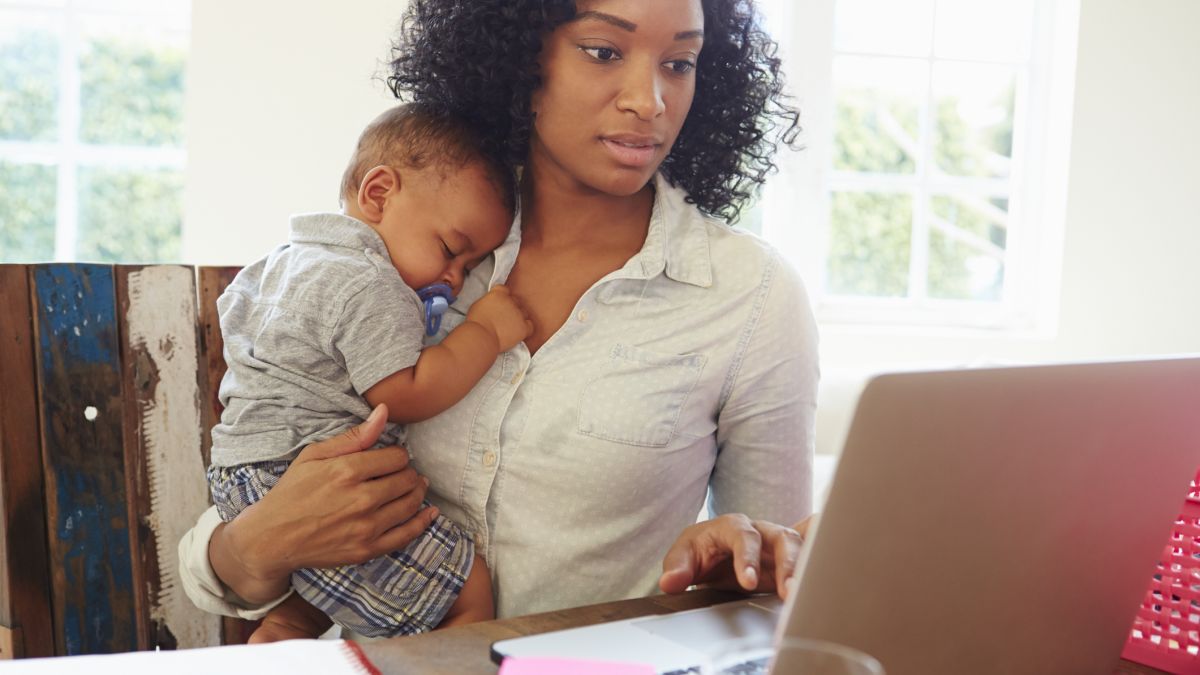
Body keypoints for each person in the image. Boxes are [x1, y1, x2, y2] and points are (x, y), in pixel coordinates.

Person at [179, 0, 819, 631]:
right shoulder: (412, 249)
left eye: (680, 63)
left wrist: (737, 562)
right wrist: (254, 547)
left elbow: (773, 582)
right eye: (604, 52)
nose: (649, 100)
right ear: (520, 58)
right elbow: (238, 529)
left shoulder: (751, 296)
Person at [204, 104, 533, 642]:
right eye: (452, 250)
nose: (453, 279)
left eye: (470, 268)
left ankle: (285, 629)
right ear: (378, 193)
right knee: (467, 590)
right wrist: (487, 333)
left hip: (243, 474)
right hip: (303, 477)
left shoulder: (282, 261)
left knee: (319, 599)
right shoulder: (370, 283)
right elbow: (405, 392)